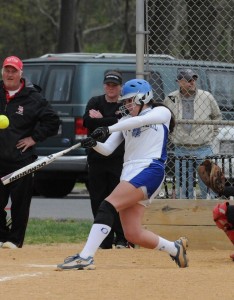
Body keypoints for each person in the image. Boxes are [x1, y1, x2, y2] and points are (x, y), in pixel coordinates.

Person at [57, 78, 188, 270]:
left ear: (144, 97)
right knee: (132, 234)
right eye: (125, 101)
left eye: (130, 100)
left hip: (150, 169)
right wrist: (94, 144)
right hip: (129, 172)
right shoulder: (125, 121)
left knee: (107, 205)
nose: (127, 105)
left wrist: (108, 127)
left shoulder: (161, 112)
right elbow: (108, 149)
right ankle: (174, 249)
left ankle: (85, 257)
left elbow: (142, 120)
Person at [0, 56, 60, 249]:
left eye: (13, 71)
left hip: (21, 159)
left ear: (20, 73)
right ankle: (1, 237)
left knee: (20, 203)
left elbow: (52, 121)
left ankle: (14, 240)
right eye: (6, 70)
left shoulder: (33, 97)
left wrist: (34, 138)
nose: (10, 74)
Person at [83, 70, 128, 249]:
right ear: (104, 86)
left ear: (120, 87)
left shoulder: (124, 104)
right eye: (108, 85)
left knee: (117, 198)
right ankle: (104, 238)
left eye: (114, 85)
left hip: (117, 159)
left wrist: (102, 120)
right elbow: (87, 121)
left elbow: (123, 123)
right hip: (96, 159)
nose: (111, 88)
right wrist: (110, 121)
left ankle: (122, 237)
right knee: (98, 198)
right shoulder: (95, 101)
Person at [164, 69, 222, 199]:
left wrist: (211, 133)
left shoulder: (206, 96)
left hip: (203, 148)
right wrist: (172, 135)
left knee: (207, 186)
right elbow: (165, 118)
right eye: (188, 80)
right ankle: (185, 213)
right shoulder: (171, 98)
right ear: (179, 82)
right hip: (181, 148)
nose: (192, 82)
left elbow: (217, 116)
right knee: (184, 188)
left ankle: (208, 212)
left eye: (194, 79)